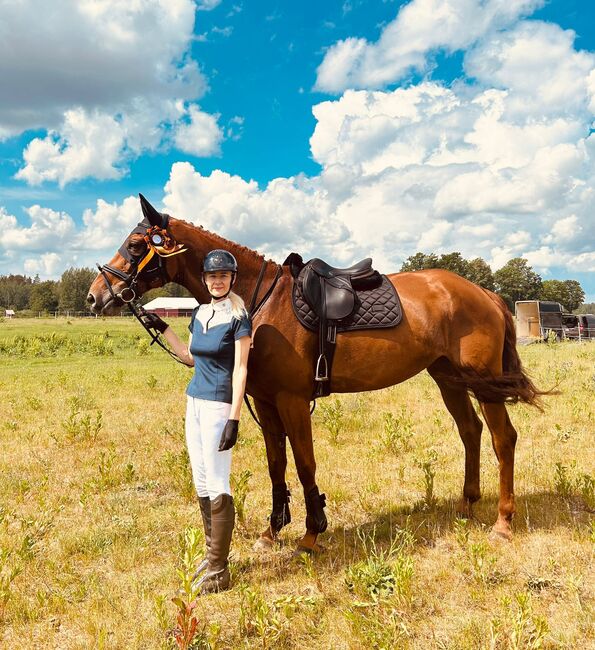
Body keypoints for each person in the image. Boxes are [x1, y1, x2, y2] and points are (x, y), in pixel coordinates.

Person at [142, 249, 252, 593]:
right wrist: (162, 328)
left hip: (219, 405)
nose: (217, 281)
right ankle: (211, 555)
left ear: (231, 279)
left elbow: (241, 368)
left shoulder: (239, 317)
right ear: (204, 280)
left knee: (219, 482)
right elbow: (190, 357)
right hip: (194, 402)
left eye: (223, 276)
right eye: (212, 276)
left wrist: (234, 417)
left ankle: (220, 570)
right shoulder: (201, 312)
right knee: (201, 481)